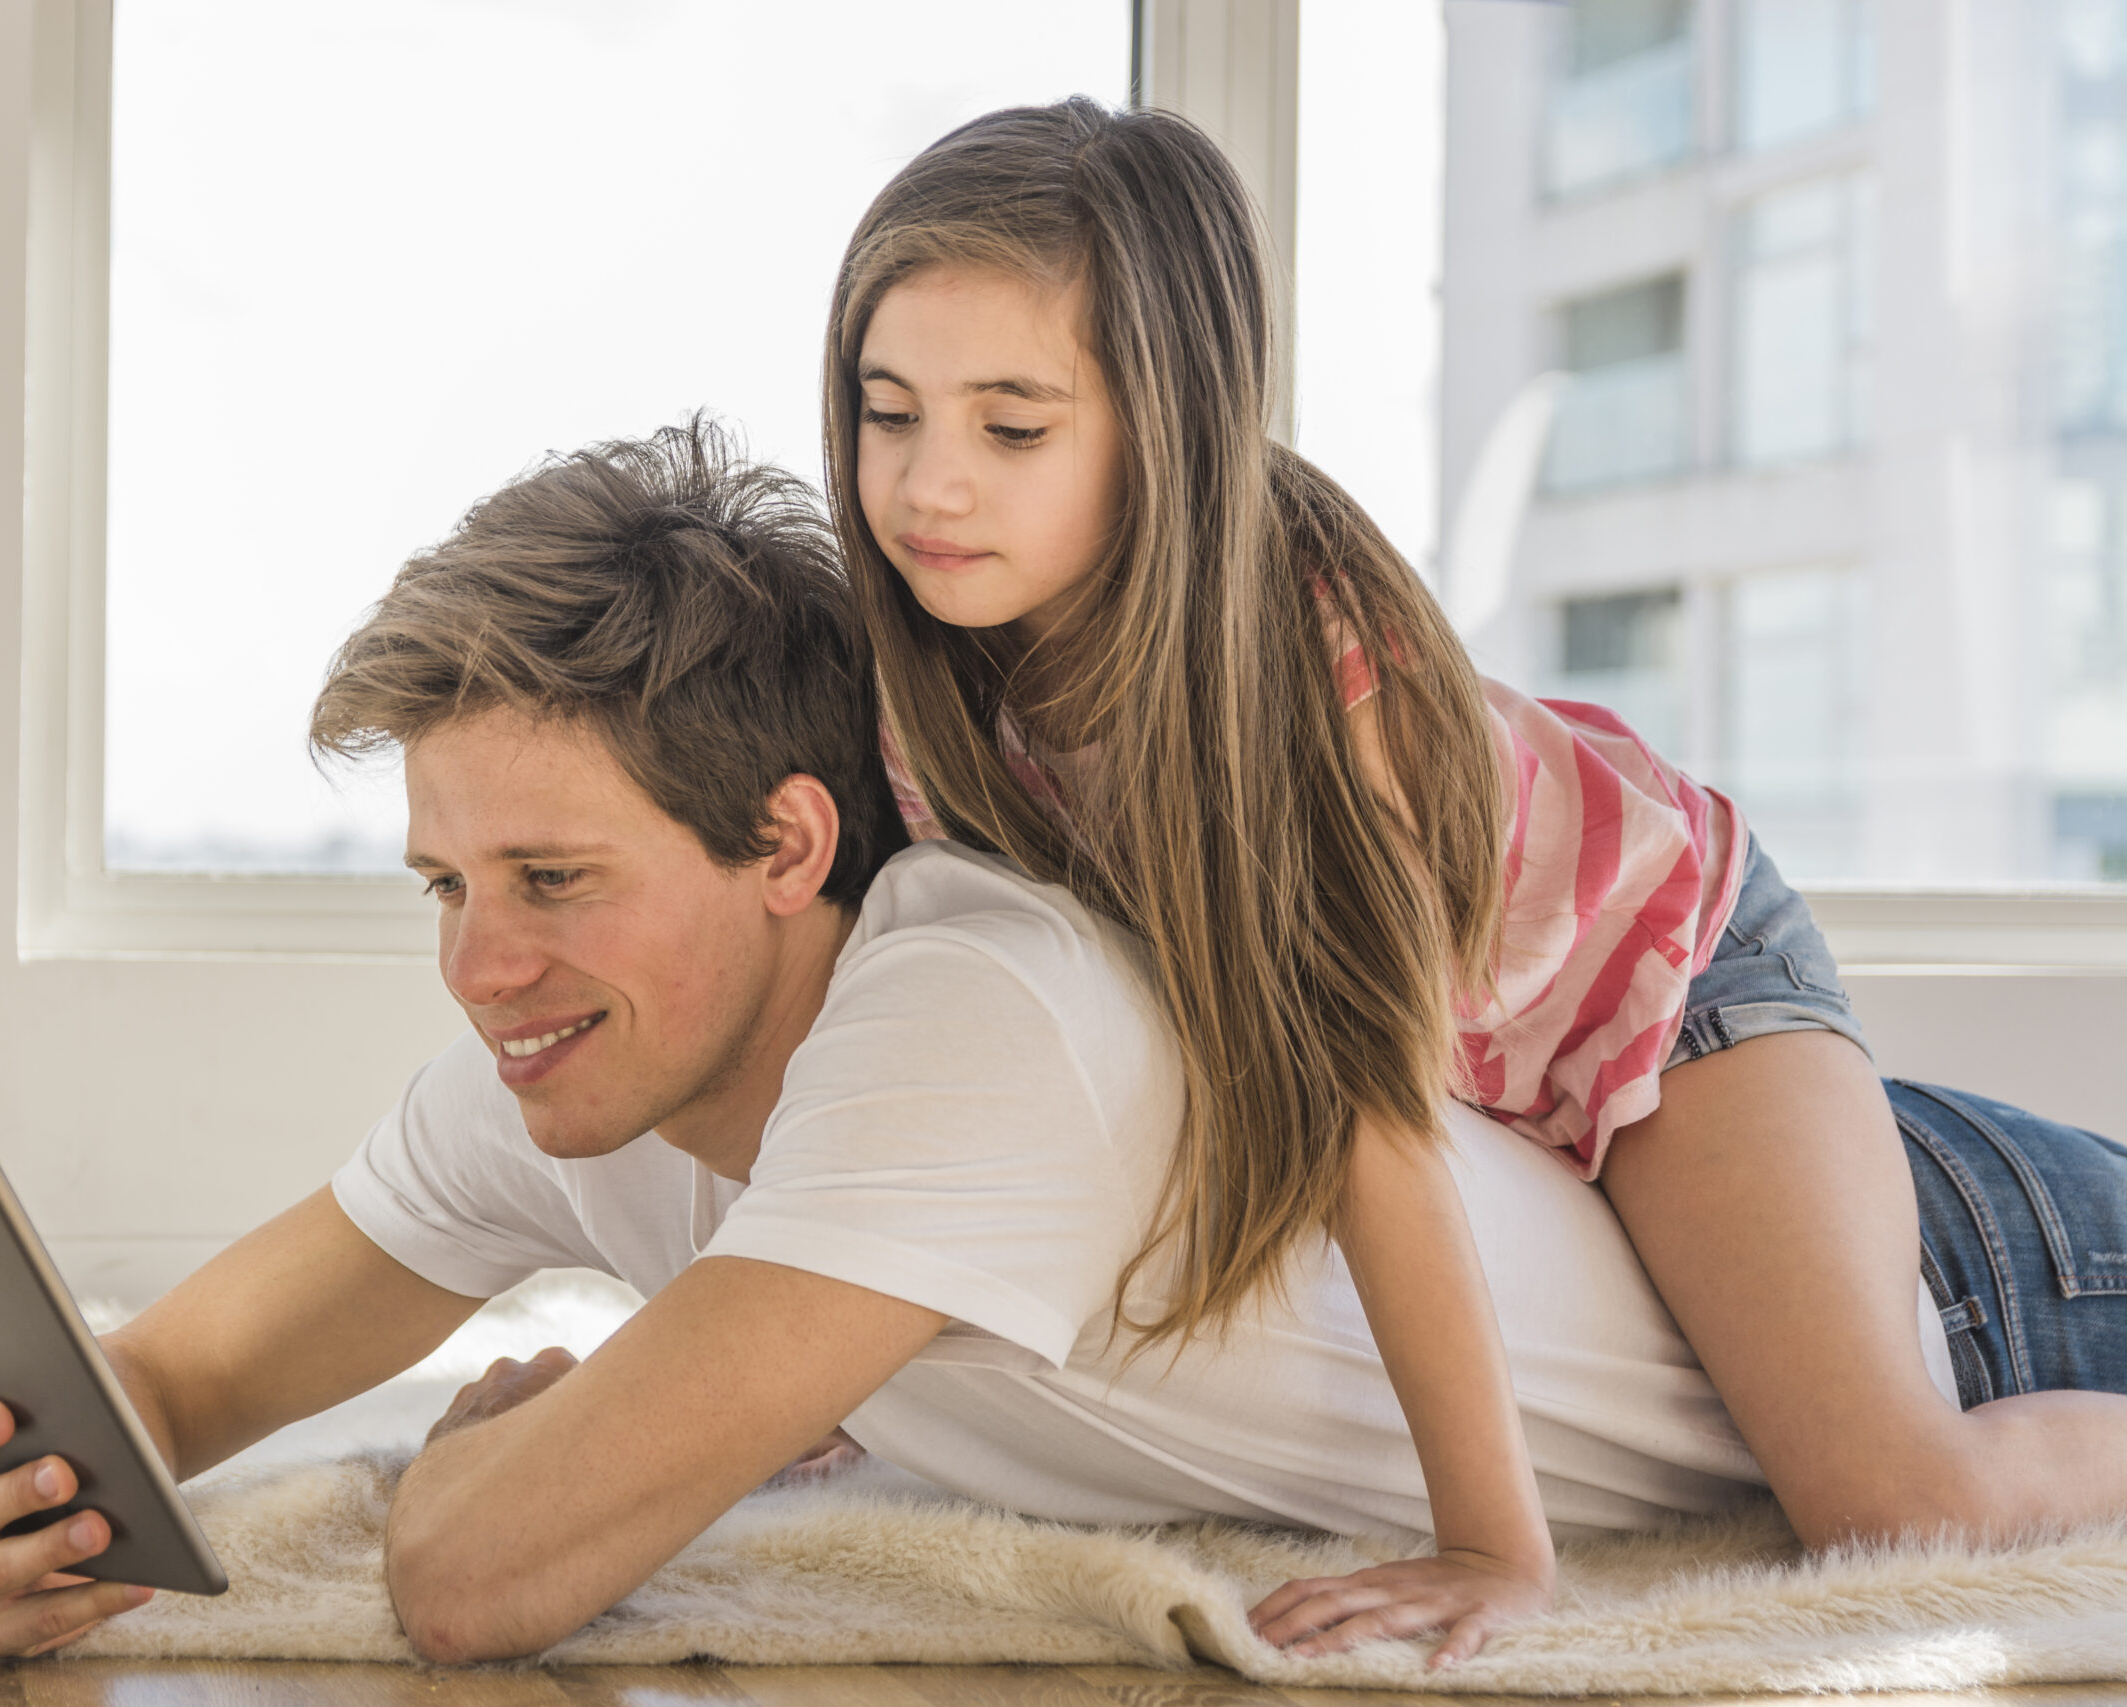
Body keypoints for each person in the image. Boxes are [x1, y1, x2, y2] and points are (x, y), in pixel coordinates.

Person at [0, 421, 2127, 1667]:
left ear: (785, 837)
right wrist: (20, 1493)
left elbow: (480, 1578)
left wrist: (467, 1462)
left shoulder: (968, 1014)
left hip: (1970, 1261)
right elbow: (172, 1380)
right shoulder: (566, 1063)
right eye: (441, 885)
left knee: (1891, 1506)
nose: (478, 969)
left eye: (549, 880)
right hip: (1845, 1190)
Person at [826, 92, 2127, 1655]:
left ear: (1168, 429)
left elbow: (1370, 1114)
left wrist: (1493, 1547)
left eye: (1011, 426)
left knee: (1896, 1502)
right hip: (1477, 1037)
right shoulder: (929, 673)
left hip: (1660, 988)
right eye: (888, 411)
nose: (927, 487)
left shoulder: (1297, 672)